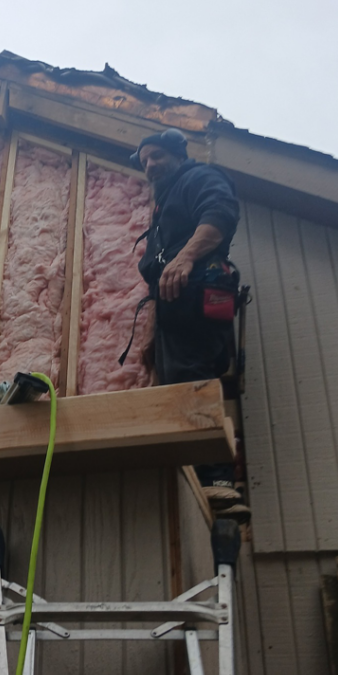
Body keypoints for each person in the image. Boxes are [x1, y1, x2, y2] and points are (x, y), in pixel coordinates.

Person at [131, 128, 249, 520]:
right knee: (176, 386)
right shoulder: (162, 210)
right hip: (171, 313)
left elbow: (220, 215)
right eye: (145, 160)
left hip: (197, 300)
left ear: (177, 154)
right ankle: (201, 475)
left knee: (194, 379)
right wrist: (149, 335)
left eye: (156, 156)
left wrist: (184, 259)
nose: (150, 165)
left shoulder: (199, 178)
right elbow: (153, 280)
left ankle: (219, 476)